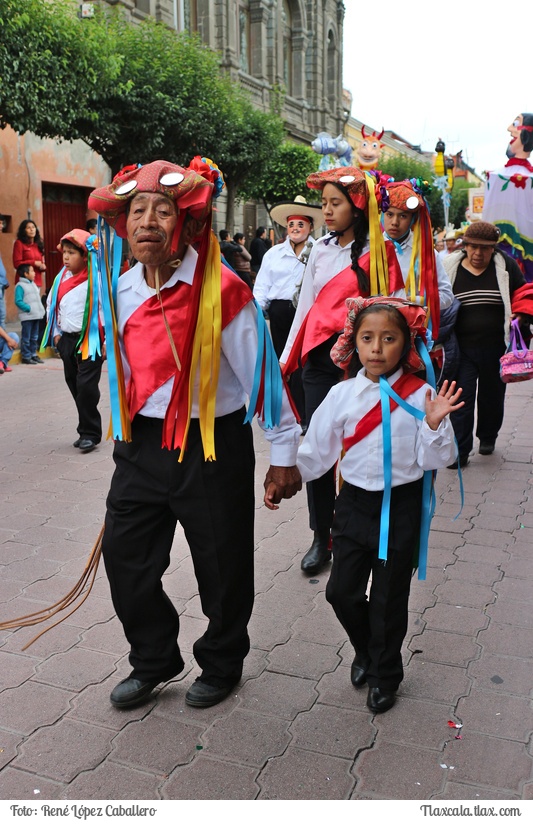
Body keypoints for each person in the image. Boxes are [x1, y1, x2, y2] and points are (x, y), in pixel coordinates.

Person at [87, 159, 301, 711]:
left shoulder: (223, 290)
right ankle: (154, 658)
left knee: (222, 564)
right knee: (127, 560)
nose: (148, 222)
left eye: (162, 210)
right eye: (137, 211)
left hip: (210, 446)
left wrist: (283, 455)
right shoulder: (119, 286)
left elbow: (262, 375)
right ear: (121, 224)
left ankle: (223, 661)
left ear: (184, 222)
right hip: (139, 447)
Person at [296, 297, 462, 713]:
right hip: (352, 505)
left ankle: (385, 673)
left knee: (389, 601)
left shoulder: (424, 394)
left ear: (405, 345)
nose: (375, 348)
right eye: (367, 338)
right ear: (354, 342)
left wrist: (435, 424)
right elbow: (317, 449)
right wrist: (286, 475)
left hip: (402, 507)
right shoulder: (342, 394)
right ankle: (366, 649)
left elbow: (435, 459)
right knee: (340, 592)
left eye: (388, 339)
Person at [280, 166, 405, 575]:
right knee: (319, 442)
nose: (327, 211)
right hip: (318, 359)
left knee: (360, 443)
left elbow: (396, 310)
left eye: (335, 203)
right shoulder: (319, 249)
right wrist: (286, 358)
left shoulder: (381, 252)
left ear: (357, 206)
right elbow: (306, 308)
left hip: (363, 364)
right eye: (324, 204)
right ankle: (321, 534)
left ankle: (357, 528)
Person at [443, 221, 527, 467]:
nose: (478, 253)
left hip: (496, 347)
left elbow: (523, 295)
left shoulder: (506, 266)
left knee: (492, 396)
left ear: (494, 249)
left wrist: (521, 315)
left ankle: (488, 436)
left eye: (485, 248)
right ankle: (460, 450)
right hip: (461, 349)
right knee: (461, 397)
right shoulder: (450, 266)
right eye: (473, 247)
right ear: (465, 245)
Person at [253, 196, 324, 425]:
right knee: (280, 363)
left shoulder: (319, 251)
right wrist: (255, 314)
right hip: (279, 313)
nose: (295, 229)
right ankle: (284, 413)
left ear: (310, 227)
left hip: (307, 315)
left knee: (305, 363)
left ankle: (304, 415)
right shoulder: (273, 254)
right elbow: (262, 287)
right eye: (291, 224)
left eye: (300, 225)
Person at [42, 229, 104, 453]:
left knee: (86, 387)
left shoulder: (96, 279)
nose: (66, 257)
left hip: (90, 340)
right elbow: (51, 306)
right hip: (67, 341)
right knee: (74, 385)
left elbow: (104, 309)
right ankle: (84, 429)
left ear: (85, 255)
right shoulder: (60, 279)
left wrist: (104, 340)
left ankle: (91, 434)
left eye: (72, 253)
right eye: (64, 252)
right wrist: (56, 334)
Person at [381, 179, 454, 319]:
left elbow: (447, 296)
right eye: (390, 214)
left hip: (413, 330)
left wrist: (417, 300)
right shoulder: (369, 249)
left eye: (403, 216)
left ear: (413, 219)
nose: (395, 222)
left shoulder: (427, 254)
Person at [483, 113, 533, 281]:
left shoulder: (524, 180)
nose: (509, 129)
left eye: (515, 124)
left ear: (526, 133)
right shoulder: (497, 177)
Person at [14, 264, 45, 364]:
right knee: (26, 337)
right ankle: (26, 356)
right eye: (32, 271)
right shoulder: (20, 286)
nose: (34, 273)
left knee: (34, 337)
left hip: (36, 315)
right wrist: (28, 308)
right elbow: (18, 301)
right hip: (27, 316)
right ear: (25, 274)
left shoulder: (33, 284)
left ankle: (33, 354)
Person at [13, 220, 46, 291]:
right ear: (23, 231)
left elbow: (41, 262)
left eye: (33, 227)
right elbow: (17, 264)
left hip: (37, 281)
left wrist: (42, 266)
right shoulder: (19, 243)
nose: (31, 229)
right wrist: (33, 263)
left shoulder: (38, 244)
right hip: (24, 282)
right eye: (28, 228)